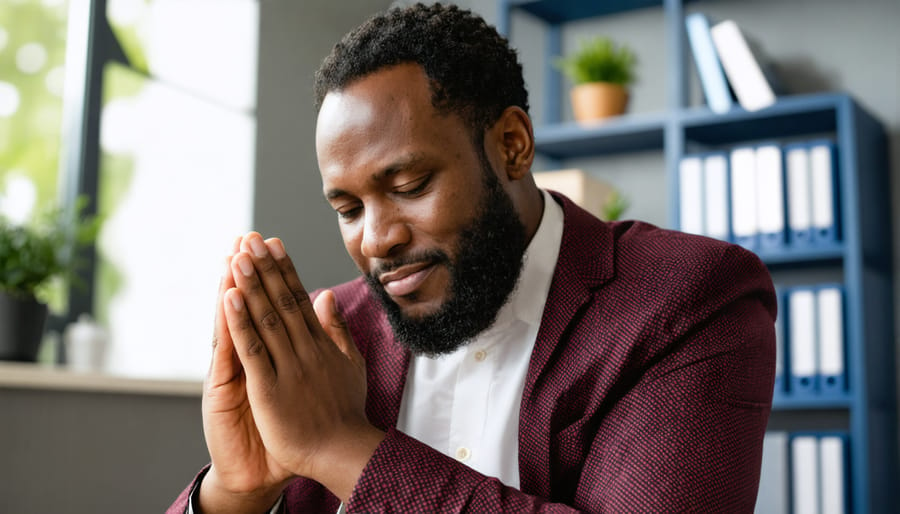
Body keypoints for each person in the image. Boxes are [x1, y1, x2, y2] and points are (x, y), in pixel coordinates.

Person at [168, 3, 776, 513]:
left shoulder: (687, 297)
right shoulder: (334, 336)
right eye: (349, 208)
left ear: (512, 146)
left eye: (408, 186)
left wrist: (343, 449)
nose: (377, 240)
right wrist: (234, 493)